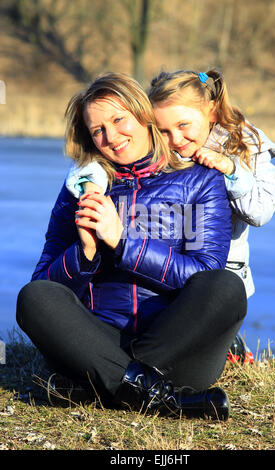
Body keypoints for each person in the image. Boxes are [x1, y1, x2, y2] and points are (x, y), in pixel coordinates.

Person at [16, 72, 247, 420]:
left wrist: (123, 242)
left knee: (226, 287)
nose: (111, 136)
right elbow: (44, 284)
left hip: (176, 350)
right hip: (99, 342)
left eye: (118, 119)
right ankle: (158, 396)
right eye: (98, 130)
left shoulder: (200, 179)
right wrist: (85, 254)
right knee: (33, 298)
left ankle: (107, 387)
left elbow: (203, 273)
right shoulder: (80, 188)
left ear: (143, 113)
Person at [65, 69, 275, 363]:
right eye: (164, 130)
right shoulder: (165, 150)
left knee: (215, 298)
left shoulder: (246, 146)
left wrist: (231, 171)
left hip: (224, 271)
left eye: (183, 125)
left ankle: (218, 346)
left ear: (212, 112)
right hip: (171, 270)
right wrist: (91, 185)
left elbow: (261, 212)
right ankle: (136, 371)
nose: (175, 139)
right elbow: (98, 160)